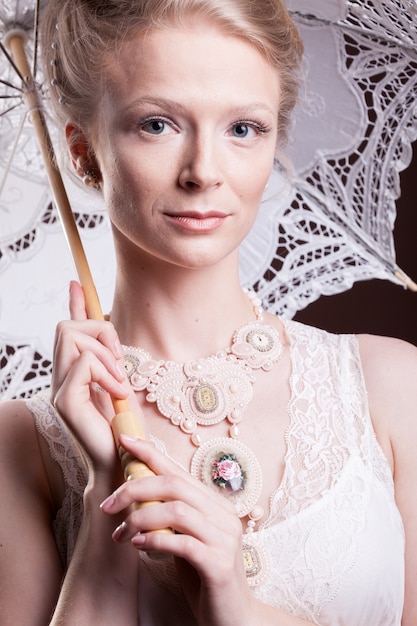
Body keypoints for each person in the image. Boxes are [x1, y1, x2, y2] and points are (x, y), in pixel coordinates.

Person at [0, 0, 416, 624]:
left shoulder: (391, 387)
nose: (204, 172)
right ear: (84, 153)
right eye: (158, 125)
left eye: (243, 128)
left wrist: (243, 611)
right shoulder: (18, 445)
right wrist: (104, 497)